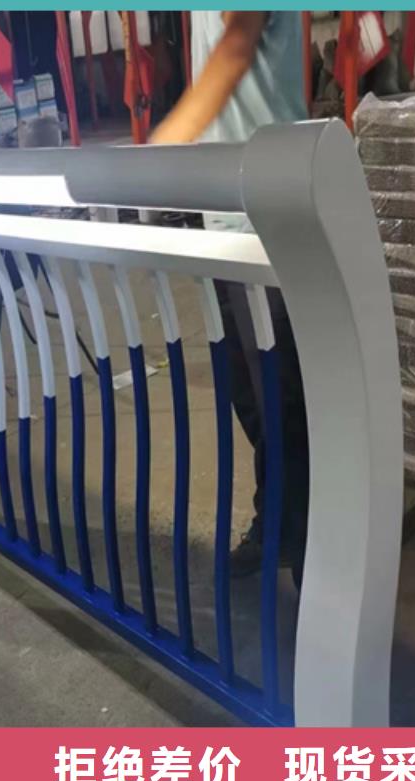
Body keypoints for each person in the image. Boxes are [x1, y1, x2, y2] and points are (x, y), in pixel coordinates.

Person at [151, 13, 309, 585]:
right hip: (225, 209)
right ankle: (279, 523)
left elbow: (237, 44)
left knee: (283, 398)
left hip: (267, 212)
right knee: (250, 392)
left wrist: (159, 150)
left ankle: (314, 559)